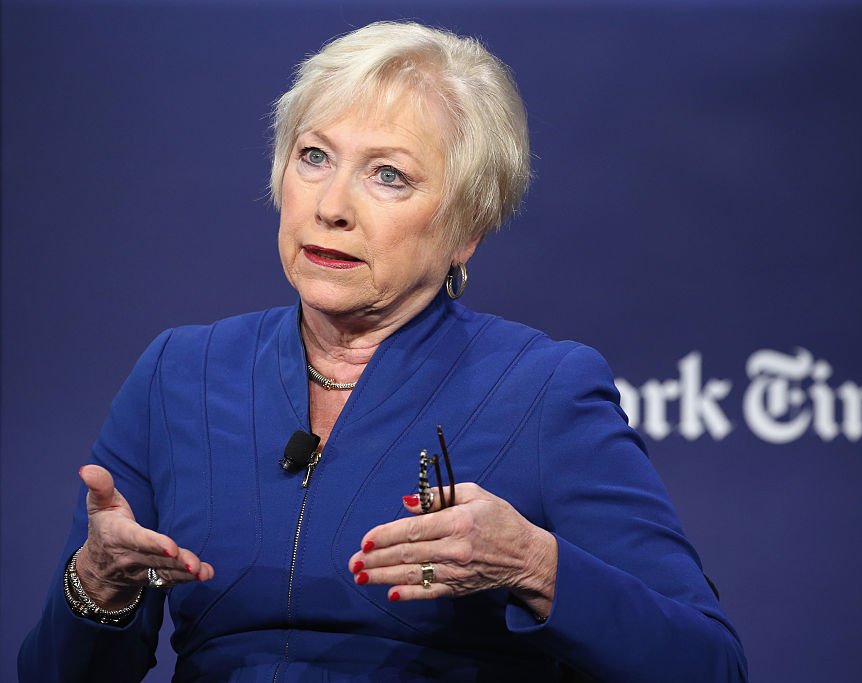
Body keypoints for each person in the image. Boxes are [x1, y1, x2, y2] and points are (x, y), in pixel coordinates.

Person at [20, 20, 748, 683]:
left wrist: (534, 564)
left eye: (387, 174)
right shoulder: (178, 372)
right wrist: (96, 584)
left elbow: (708, 663)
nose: (331, 205)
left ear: (467, 227)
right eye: (313, 157)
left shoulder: (542, 389)